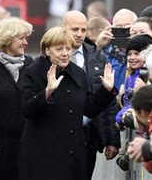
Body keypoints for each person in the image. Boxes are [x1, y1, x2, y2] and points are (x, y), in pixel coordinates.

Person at [19, 26, 117, 180]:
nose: (65, 53)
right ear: (47, 50)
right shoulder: (32, 72)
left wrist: (106, 90)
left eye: (69, 48)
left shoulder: (78, 73)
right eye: (59, 49)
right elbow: (27, 109)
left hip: (72, 154)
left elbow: (89, 109)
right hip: (42, 155)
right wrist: (47, 91)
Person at [62, 11, 121, 179]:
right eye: (75, 29)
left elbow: (108, 102)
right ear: (63, 28)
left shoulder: (97, 57)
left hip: (87, 135)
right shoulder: (50, 56)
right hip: (57, 135)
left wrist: (112, 140)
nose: (80, 34)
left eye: (83, 29)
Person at [0, 18, 33, 180]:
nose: (25, 42)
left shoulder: (31, 64)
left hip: (27, 149)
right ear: (6, 39)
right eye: (21, 38)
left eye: (26, 38)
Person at [96, 8, 137, 91]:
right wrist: (98, 46)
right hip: (109, 100)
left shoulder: (140, 53)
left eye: (127, 27)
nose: (123, 30)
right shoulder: (105, 52)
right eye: (119, 27)